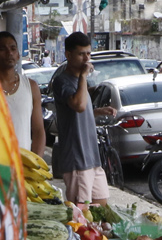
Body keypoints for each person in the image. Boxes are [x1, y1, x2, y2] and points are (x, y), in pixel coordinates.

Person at [49, 32, 116, 204]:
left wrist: (98, 112)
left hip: (92, 157)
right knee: (82, 213)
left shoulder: (80, 82)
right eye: (81, 54)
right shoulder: (62, 81)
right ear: (69, 55)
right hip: (76, 159)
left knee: (101, 207)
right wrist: (84, 76)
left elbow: (80, 112)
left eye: (88, 53)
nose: (86, 59)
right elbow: (78, 105)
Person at [0, 31, 46, 154]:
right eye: (2, 49)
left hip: (23, 168)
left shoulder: (31, 86)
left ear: (18, 54)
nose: (9, 53)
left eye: (13, 48)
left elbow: (38, 131)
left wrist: (36, 166)